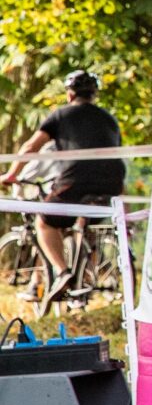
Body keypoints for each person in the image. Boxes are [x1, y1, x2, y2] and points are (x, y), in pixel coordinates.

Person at [1, 71, 126, 280]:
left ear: (69, 95)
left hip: (77, 179)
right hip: (112, 182)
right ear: (94, 95)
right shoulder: (110, 120)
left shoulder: (61, 115)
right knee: (84, 224)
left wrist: (11, 174)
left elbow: (31, 146)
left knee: (45, 222)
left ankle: (62, 272)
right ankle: (85, 279)